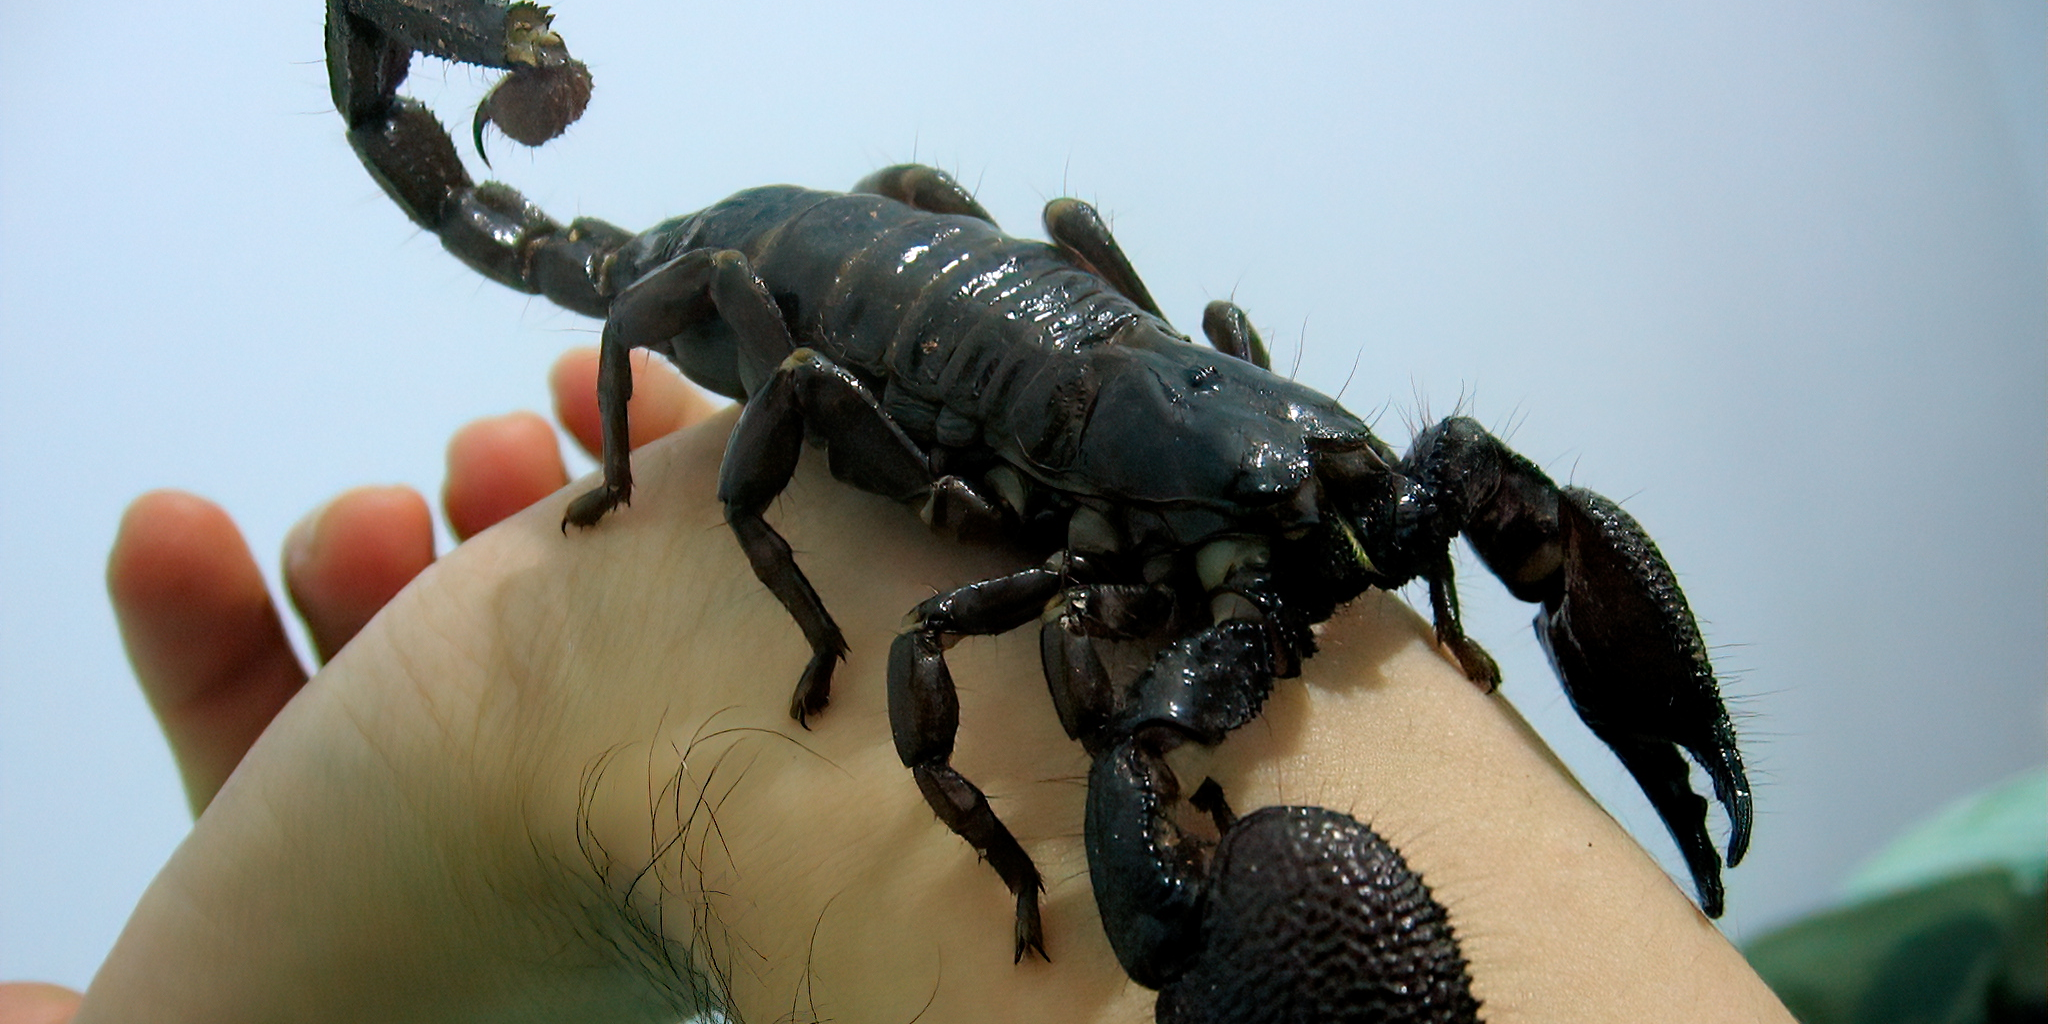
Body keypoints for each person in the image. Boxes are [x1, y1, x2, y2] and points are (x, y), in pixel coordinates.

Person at [1, 351, 1792, 1023]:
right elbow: (1001, 647)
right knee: (980, 641)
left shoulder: (1312, 473)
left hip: (1117, 380)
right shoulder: (1105, 592)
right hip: (934, 358)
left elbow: (1480, 498)